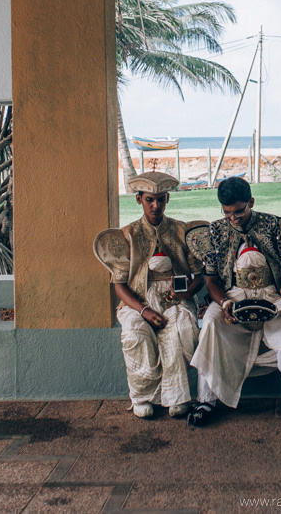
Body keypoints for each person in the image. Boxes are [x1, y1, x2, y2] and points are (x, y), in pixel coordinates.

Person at [187, 176, 281, 427]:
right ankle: (206, 400)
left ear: (251, 202)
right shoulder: (216, 231)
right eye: (228, 213)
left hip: (273, 295)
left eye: (239, 211)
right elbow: (211, 280)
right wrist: (223, 304)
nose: (234, 218)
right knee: (210, 324)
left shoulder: (274, 226)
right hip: (232, 297)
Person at [92, 171, 205, 419]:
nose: (156, 205)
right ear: (139, 199)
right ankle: (142, 397)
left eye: (161, 199)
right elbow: (119, 285)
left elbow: (199, 275)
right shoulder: (127, 235)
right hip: (137, 304)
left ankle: (176, 398)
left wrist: (187, 292)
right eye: (149, 200)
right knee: (135, 335)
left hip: (177, 301)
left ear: (167, 200)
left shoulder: (181, 231)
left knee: (176, 333)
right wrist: (144, 310)